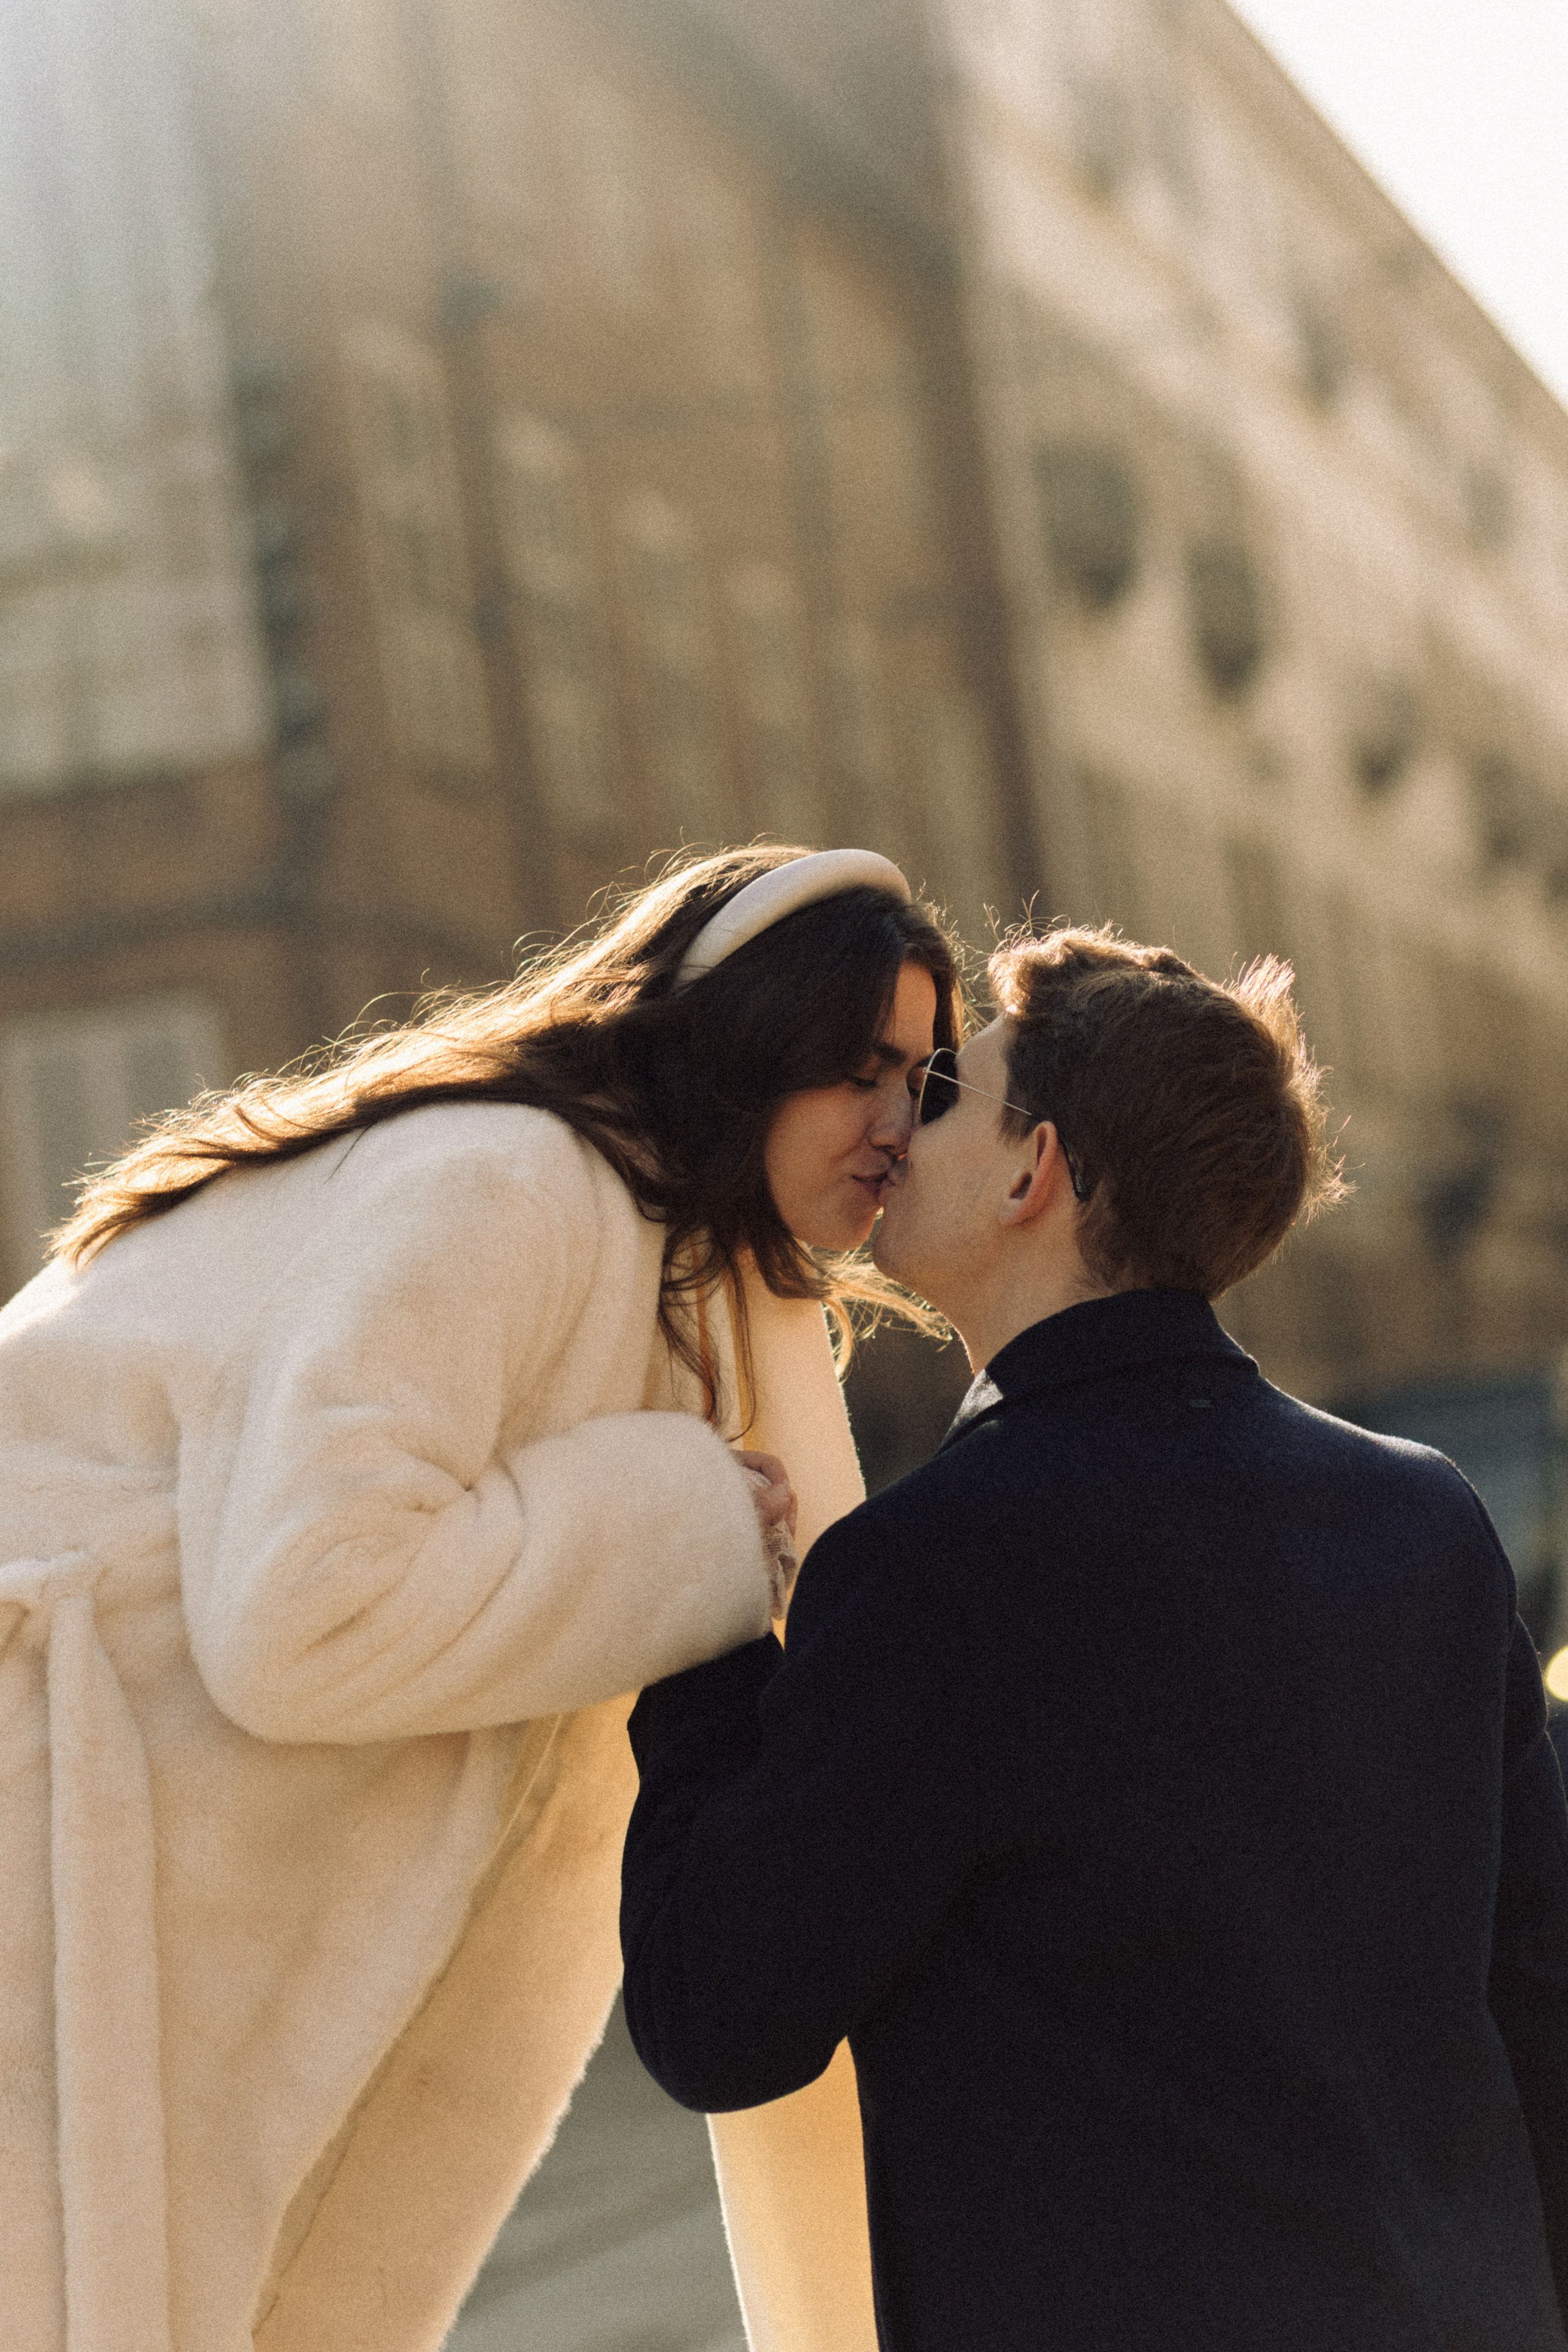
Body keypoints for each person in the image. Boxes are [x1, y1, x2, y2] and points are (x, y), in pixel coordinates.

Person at [0, 843, 957, 2352]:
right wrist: (681, 1511)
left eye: (927, 1081)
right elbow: (305, 1610)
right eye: (862, 1071)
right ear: (747, 1043)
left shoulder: (674, 1277)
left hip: (159, 1892)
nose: (900, 1126)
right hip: (62, 1850)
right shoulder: (503, 1179)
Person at [622, 925, 1568, 2352]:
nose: (892, 1128)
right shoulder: (1419, 1521)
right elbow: (1540, 2001)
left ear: (1034, 1171)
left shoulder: (930, 1567)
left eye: (940, 1093)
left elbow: (717, 2015)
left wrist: (691, 1615)